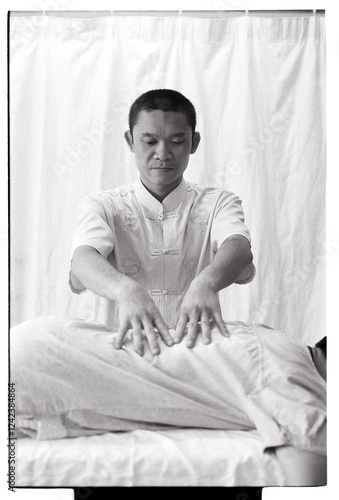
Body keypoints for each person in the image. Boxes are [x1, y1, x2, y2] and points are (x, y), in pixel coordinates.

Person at [11, 317, 326, 486]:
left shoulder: (276, 341)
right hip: (48, 371)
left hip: (48, 344)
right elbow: (310, 477)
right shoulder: (288, 374)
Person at [69, 89, 256, 356]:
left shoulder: (219, 203)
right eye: (149, 141)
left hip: (198, 356)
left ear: (194, 142)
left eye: (177, 141)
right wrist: (125, 290)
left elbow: (238, 246)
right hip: (122, 357)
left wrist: (207, 283)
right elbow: (82, 260)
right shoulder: (103, 206)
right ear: (130, 141)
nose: (163, 153)